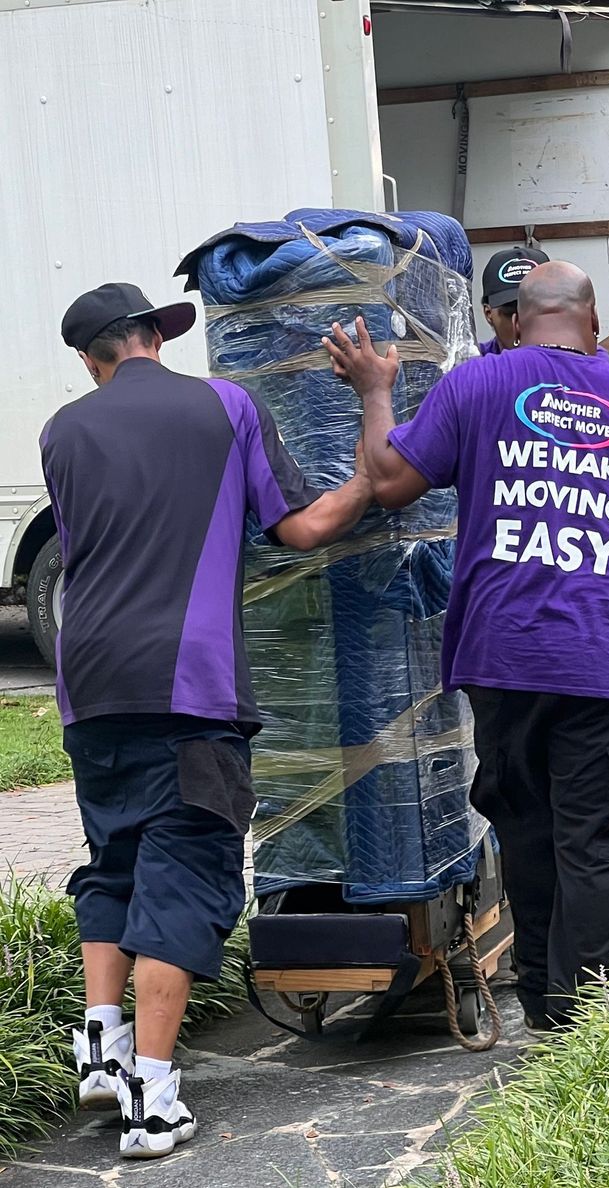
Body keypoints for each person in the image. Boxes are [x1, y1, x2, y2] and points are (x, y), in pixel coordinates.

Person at [324, 261, 609, 1029]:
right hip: (605, 662)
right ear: (593, 324)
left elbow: (391, 481)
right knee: (596, 845)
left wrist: (374, 391)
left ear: (516, 321)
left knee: (529, 839)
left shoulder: (475, 387)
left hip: (501, 663)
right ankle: (594, 1034)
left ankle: (547, 1013)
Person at [43, 283, 374, 1159]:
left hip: (87, 682)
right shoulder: (225, 404)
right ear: (154, 335)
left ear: (90, 358)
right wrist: (375, 481)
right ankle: (152, 1097)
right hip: (188, 683)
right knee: (187, 864)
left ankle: (102, 1042)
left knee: (115, 857)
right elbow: (299, 527)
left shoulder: (61, 433)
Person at [478, 246, 549, 355]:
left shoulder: (575, 365)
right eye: (510, 313)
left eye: (536, 312)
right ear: (489, 313)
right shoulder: (470, 366)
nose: (520, 326)